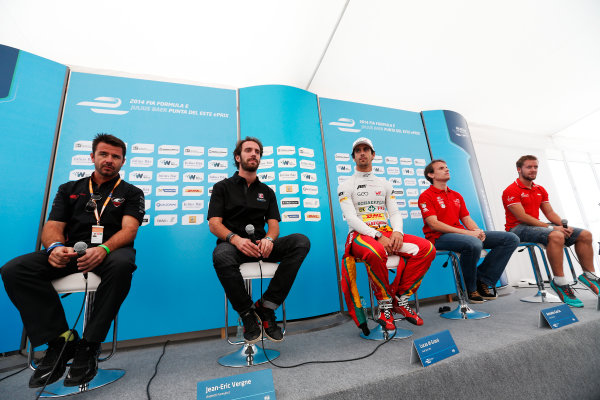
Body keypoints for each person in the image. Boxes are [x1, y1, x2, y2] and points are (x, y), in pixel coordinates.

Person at [1, 133, 145, 388]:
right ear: (92, 156)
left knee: (123, 264)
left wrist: (104, 249)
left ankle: (89, 345)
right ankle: (61, 340)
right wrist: (55, 247)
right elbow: (53, 226)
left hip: (111, 253)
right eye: (103, 154)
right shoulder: (69, 189)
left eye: (115, 156)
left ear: (123, 161)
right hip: (71, 252)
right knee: (14, 270)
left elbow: (129, 230)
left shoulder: (132, 192)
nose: (109, 160)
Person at [208, 137, 310, 344]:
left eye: (257, 151)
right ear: (238, 157)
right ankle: (248, 314)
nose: (254, 154)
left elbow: (274, 225)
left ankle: (267, 306)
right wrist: (235, 240)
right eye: (248, 150)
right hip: (234, 246)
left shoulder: (267, 192)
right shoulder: (222, 187)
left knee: (301, 241)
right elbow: (214, 224)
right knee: (220, 255)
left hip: (262, 246)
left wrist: (269, 239)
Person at [338, 137, 435, 334]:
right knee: (375, 251)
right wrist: (376, 235)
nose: (362, 153)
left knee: (426, 249)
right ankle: (384, 306)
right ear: (353, 157)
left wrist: (397, 231)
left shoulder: (384, 183)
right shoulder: (345, 185)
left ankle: (400, 298)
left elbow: (395, 213)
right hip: (359, 235)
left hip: (387, 232)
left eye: (366, 150)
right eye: (358, 150)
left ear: (373, 155)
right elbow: (351, 218)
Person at [502, 155, 600, 307]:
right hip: (517, 229)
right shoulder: (511, 190)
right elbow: (521, 217)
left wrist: (563, 225)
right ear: (519, 169)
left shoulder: (539, 189)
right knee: (555, 234)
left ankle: (589, 276)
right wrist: (553, 227)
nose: (533, 170)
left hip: (536, 226)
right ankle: (560, 282)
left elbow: (550, 213)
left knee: (585, 234)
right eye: (529, 167)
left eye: (535, 167)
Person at [418, 159, 519, 303]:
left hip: (461, 235)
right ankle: (471, 289)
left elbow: (466, 218)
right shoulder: (426, 196)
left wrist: (478, 231)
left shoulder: (456, 195)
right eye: (441, 168)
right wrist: (469, 234)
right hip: (439, 238)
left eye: (447, 167)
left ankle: (483, 280)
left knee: (511, 239)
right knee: (473, 243)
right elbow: (434, 224)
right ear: (431, 175)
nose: (447, 169)